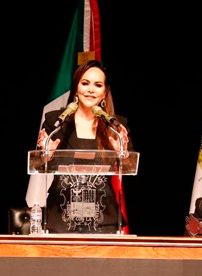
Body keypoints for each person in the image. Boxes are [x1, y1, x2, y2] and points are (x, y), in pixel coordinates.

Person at [35, 60, 132, 234]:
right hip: (60, 215)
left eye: (98, 85)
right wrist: (45, 155)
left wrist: (122, 154)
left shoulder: (116, 126)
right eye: (85, 83)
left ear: (104, 92)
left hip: (104, 217)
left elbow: (130, 167)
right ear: (76, 88)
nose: (91, 90)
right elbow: (38, 164)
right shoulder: (55, 122)